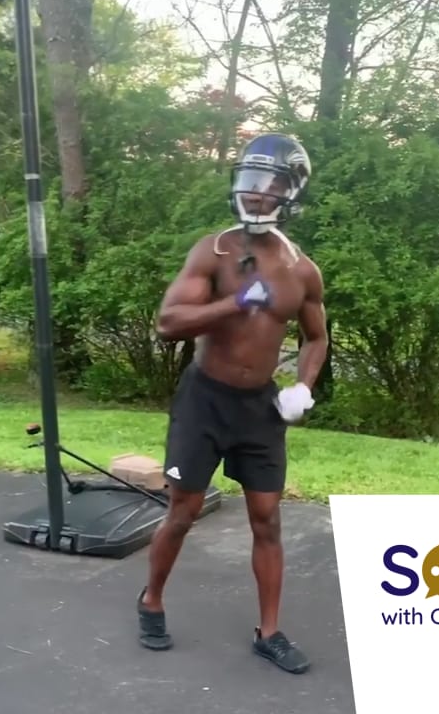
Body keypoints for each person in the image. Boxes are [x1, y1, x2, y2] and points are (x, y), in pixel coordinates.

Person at [135, 133, 328, 675]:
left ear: (291, 193)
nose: (256, 193)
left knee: (267, 519)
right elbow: (168, 323)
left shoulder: (302, 270)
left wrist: (303, 387)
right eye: (249, 180)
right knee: (184, 511)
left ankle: (269, 632)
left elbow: (316, 337)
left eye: (270, 185)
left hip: (259, 410)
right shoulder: (213, 251)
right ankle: (151, 599)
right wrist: (236, 302)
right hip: (205, 401)